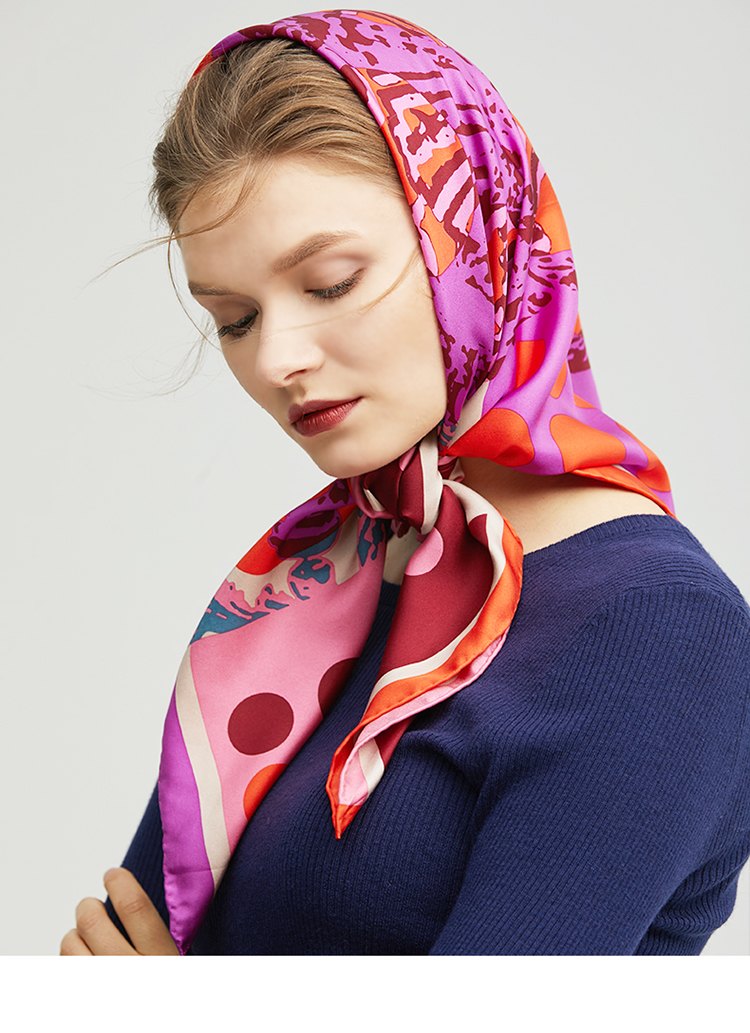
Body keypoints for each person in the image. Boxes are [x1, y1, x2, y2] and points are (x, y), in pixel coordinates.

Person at [60, 10, 750, 956]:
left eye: (331, 282)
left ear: (473, 243)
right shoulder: (320, 577)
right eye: (234, 319)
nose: (278, 358)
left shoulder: (656, 629)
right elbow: (111, 957)